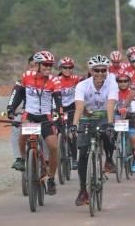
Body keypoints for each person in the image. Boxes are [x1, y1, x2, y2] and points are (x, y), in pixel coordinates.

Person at [6, 50, 63, 195]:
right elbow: (20, 93)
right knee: (23, 132)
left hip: (45, 117)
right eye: (45, 65)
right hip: (29, 114)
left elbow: (57, 99)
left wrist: (60, 115)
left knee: (53, 147)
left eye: (50, 65)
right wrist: (11, 108)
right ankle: (23, 160)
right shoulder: (27, 76)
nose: (48, 68)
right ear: (37, 65)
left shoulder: (54, 80)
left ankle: (51, 178)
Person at [69, 55, 118, 206]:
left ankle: (109, 159)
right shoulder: (82, 85)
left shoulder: (112, 84)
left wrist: (110, 124)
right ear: (90, 70)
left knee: (108, 133)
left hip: (104, 115)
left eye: (104, 70)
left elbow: (110, 104)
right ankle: (83, 190)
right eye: (96, 70)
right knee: (83, 153)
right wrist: (74, 125)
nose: (100, 73)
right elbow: (79, 106)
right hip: (86, 117)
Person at [6, 54, 38, 170]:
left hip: (43, 113)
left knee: (47, 133)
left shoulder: (49, 82)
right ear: (28, 67)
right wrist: (10, 109)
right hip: (26, 112)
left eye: (36, 66)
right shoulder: (21, 82)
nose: (34, 69)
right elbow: (14, 97)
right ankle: (19, 158)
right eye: (31, 66)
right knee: (16, 125)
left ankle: (47, 160)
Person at [57, 56, 81, 170]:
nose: (68, 70)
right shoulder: (55, 80)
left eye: (70, 67)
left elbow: (85, 83)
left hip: (71, 108)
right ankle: (60, 150)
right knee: (58, 131)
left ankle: (75, 158)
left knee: (72, 132)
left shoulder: (76, 78)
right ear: (60, 68)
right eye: (65, 68)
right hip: (58, 108)